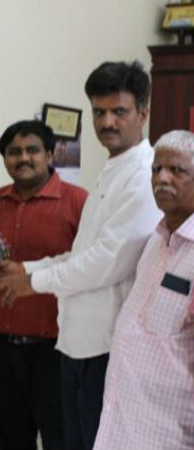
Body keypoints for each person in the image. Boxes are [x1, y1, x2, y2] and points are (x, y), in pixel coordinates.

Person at [0, 61, 163, 450]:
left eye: (119, 111)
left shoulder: (144, 175)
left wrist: (34, 281)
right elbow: (80, 254)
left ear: (143, 113)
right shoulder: (111, 170)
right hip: (76, 342)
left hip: (107, 346)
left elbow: (105, 262)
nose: (107, 122)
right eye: (99, 112)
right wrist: (25, 267)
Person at [0, 120, 87, 450]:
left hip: (56, 349)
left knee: (61, 438)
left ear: (50, 155)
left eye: (32, 150)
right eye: (14, 152)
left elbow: (87, 267)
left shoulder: (79, 202)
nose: (23, 158)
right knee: (8, 439)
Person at [93, 130, 194, 450]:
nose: (162, 178)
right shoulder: (155, 240)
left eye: (177, 170)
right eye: (156, 169)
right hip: (123, 420)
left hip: (170, 433)